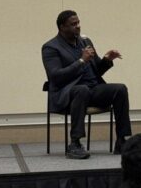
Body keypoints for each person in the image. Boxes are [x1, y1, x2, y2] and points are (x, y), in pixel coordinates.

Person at [42, 10, 132, 159]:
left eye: (78, 23)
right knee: (82, 90)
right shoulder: (51, 47)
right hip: (69, 93)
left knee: (120, 89)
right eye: (73, 24)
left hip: (93, 90)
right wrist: (81, 61)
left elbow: (97, 71)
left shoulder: (85, 42)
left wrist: (107, 60)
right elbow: (56, 77)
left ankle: (122, 140)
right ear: (62, 27)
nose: (78, 26)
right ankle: (75, 144)